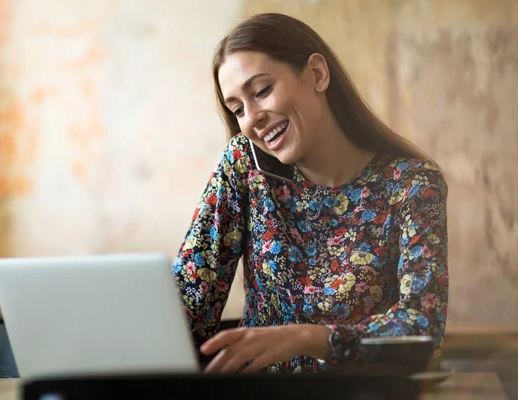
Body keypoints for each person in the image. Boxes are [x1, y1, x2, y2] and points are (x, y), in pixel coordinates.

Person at [171, 12, 448, 374]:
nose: (251, 118)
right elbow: (190, 303)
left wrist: (307, 338)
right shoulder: (245, 166)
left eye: (262, 91)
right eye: (237, 109)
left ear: (317, 74)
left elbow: (421, 327)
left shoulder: (411, 184)